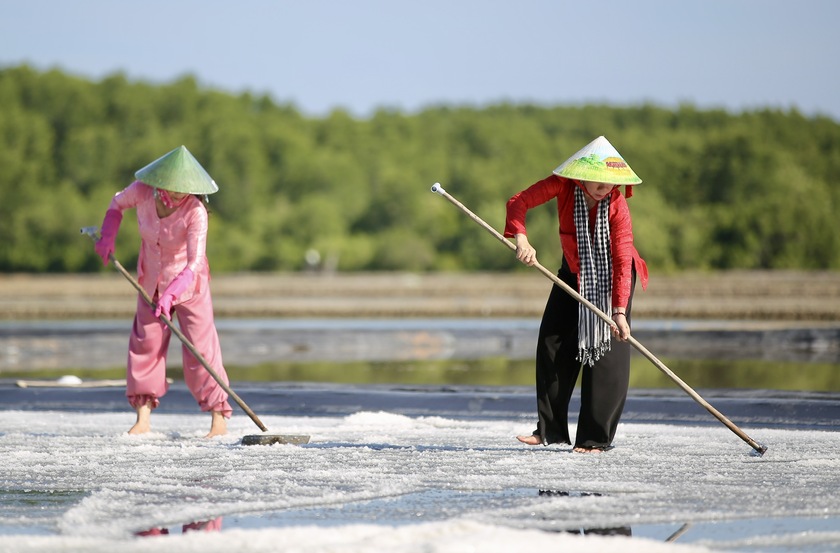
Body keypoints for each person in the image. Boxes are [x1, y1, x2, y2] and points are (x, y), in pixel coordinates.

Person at [504, 136, 648, 453]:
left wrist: (619, 312)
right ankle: (548, 430)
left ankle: (594, 438)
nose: (604, 188)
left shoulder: (618, 207)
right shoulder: (563, 186)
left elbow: (624, 259)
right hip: (573, 271)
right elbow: (518, 201)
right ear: (581, 175)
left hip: (613, 277)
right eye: (598, 181)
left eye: (611, 182)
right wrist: (521, 238)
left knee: (607, 353)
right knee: (552, 345)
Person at [94, 145, 233, 437]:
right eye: (175, 187)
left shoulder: (196, 212)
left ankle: (218, 417)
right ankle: (143, 418)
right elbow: (117, 203)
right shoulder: (143, 192)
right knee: (145, 345)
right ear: (161, 181)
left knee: (200, 349)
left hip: (189, 287)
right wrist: (108, 234)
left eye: (186, 189)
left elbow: (195, 262)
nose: (179, 194)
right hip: (150, 282)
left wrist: (172, 294)